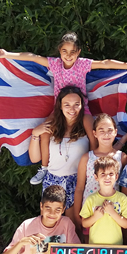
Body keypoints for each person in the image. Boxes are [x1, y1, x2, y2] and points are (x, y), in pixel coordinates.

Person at [0, 32, 127, 184]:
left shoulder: (82, 64)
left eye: (72, 52)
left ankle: (93, 164)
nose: (68, 55)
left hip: (81, 108)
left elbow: (105, 63)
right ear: (60, 51)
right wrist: (7, 54)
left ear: (78, 52)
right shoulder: (55, 64)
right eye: (65, 51)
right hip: (60, 109)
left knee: (92, 133)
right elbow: (33, 57)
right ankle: (44, 168)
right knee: (45, 131)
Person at [29, 86, 89, 234]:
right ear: (60, 106)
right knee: (51, 225)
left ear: (82, 105)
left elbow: (95, 152)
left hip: (77, 180)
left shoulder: (86, 121)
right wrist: (35, 134)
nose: (72, 109)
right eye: (67, 104)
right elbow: (35, 158)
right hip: (53, 180)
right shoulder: (51, 125)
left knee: (75, 227)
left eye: (76, 104)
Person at [74, 114, 127, 242]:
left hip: (115, 212)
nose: (106, 134)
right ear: (94, 133)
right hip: (90, 212)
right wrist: (77, 216)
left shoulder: (122, 157)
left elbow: (125, 186)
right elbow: (79, 188)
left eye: (110, 130)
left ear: (115, 132)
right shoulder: (87, 158)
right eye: (101, 130)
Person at [80, 156, 127, 245]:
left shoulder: (122, 198)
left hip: (116, 247)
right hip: (95, 247)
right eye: (103, 174)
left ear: (116, 176)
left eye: (111, 174)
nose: (107, 177)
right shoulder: (90, 199)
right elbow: (84, 224)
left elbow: (125, 224)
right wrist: (95, 217)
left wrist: (112, 212)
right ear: (96, 177)